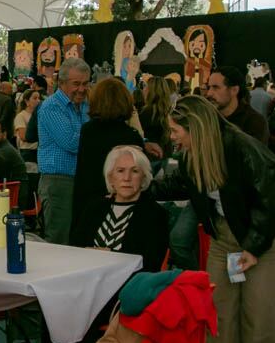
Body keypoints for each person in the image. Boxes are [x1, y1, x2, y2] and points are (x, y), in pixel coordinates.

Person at [166, 96, 275, 343]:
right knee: (218, 315)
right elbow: (178, 185)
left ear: (194, 127)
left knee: (261, 316)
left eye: (175, 131)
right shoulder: (191, 157)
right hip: (224, 239)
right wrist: (139, 185)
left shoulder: (242, 148)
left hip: (261, 239)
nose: (172, 137)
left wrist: (253, 247)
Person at [47, 146, 170, 343]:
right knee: (49, 299)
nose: (126, 178)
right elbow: (74, 249)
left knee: (85, 307)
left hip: (125, 293)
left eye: (134, 171)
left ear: (144, 177)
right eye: (120, 171)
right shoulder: (94, 208)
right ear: (110, 177)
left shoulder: (154, 214)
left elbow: (151, 264)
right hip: (84, 284)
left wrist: (110, 257)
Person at [36, 57, 91, 244]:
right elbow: (72, 143)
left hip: (79, 181)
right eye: (76, 84)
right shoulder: (52, 107)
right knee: (59, 240)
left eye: (85, 83)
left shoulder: (84, 105)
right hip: (58, 183)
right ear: (61, 83)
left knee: (76, 239)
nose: (82, 89)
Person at [73, 78, 146, 210]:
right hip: (120, 203)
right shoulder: (131, 136)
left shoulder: (87, 131)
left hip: (89, 202)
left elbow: (84, 173)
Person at [206, 66, 267, 145]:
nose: (209, 93)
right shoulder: (207, 117)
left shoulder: (254, 122)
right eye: (209, 87)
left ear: (234, 90)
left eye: (215, 87)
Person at [138, 76, 176, 159]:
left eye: (145, 87)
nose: (143, 90)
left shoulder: (147, 112)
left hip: (152, 154)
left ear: (151, 91)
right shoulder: (169, 111)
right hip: (166, 152)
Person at [14, 88, 40, 162]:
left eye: (39, 98)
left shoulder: (39, 115)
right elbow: (23, 136)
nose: (38, 101)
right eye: (35, 98)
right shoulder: (21, 116)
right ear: (27, 101)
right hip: (28, 152)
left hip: (39, 150)